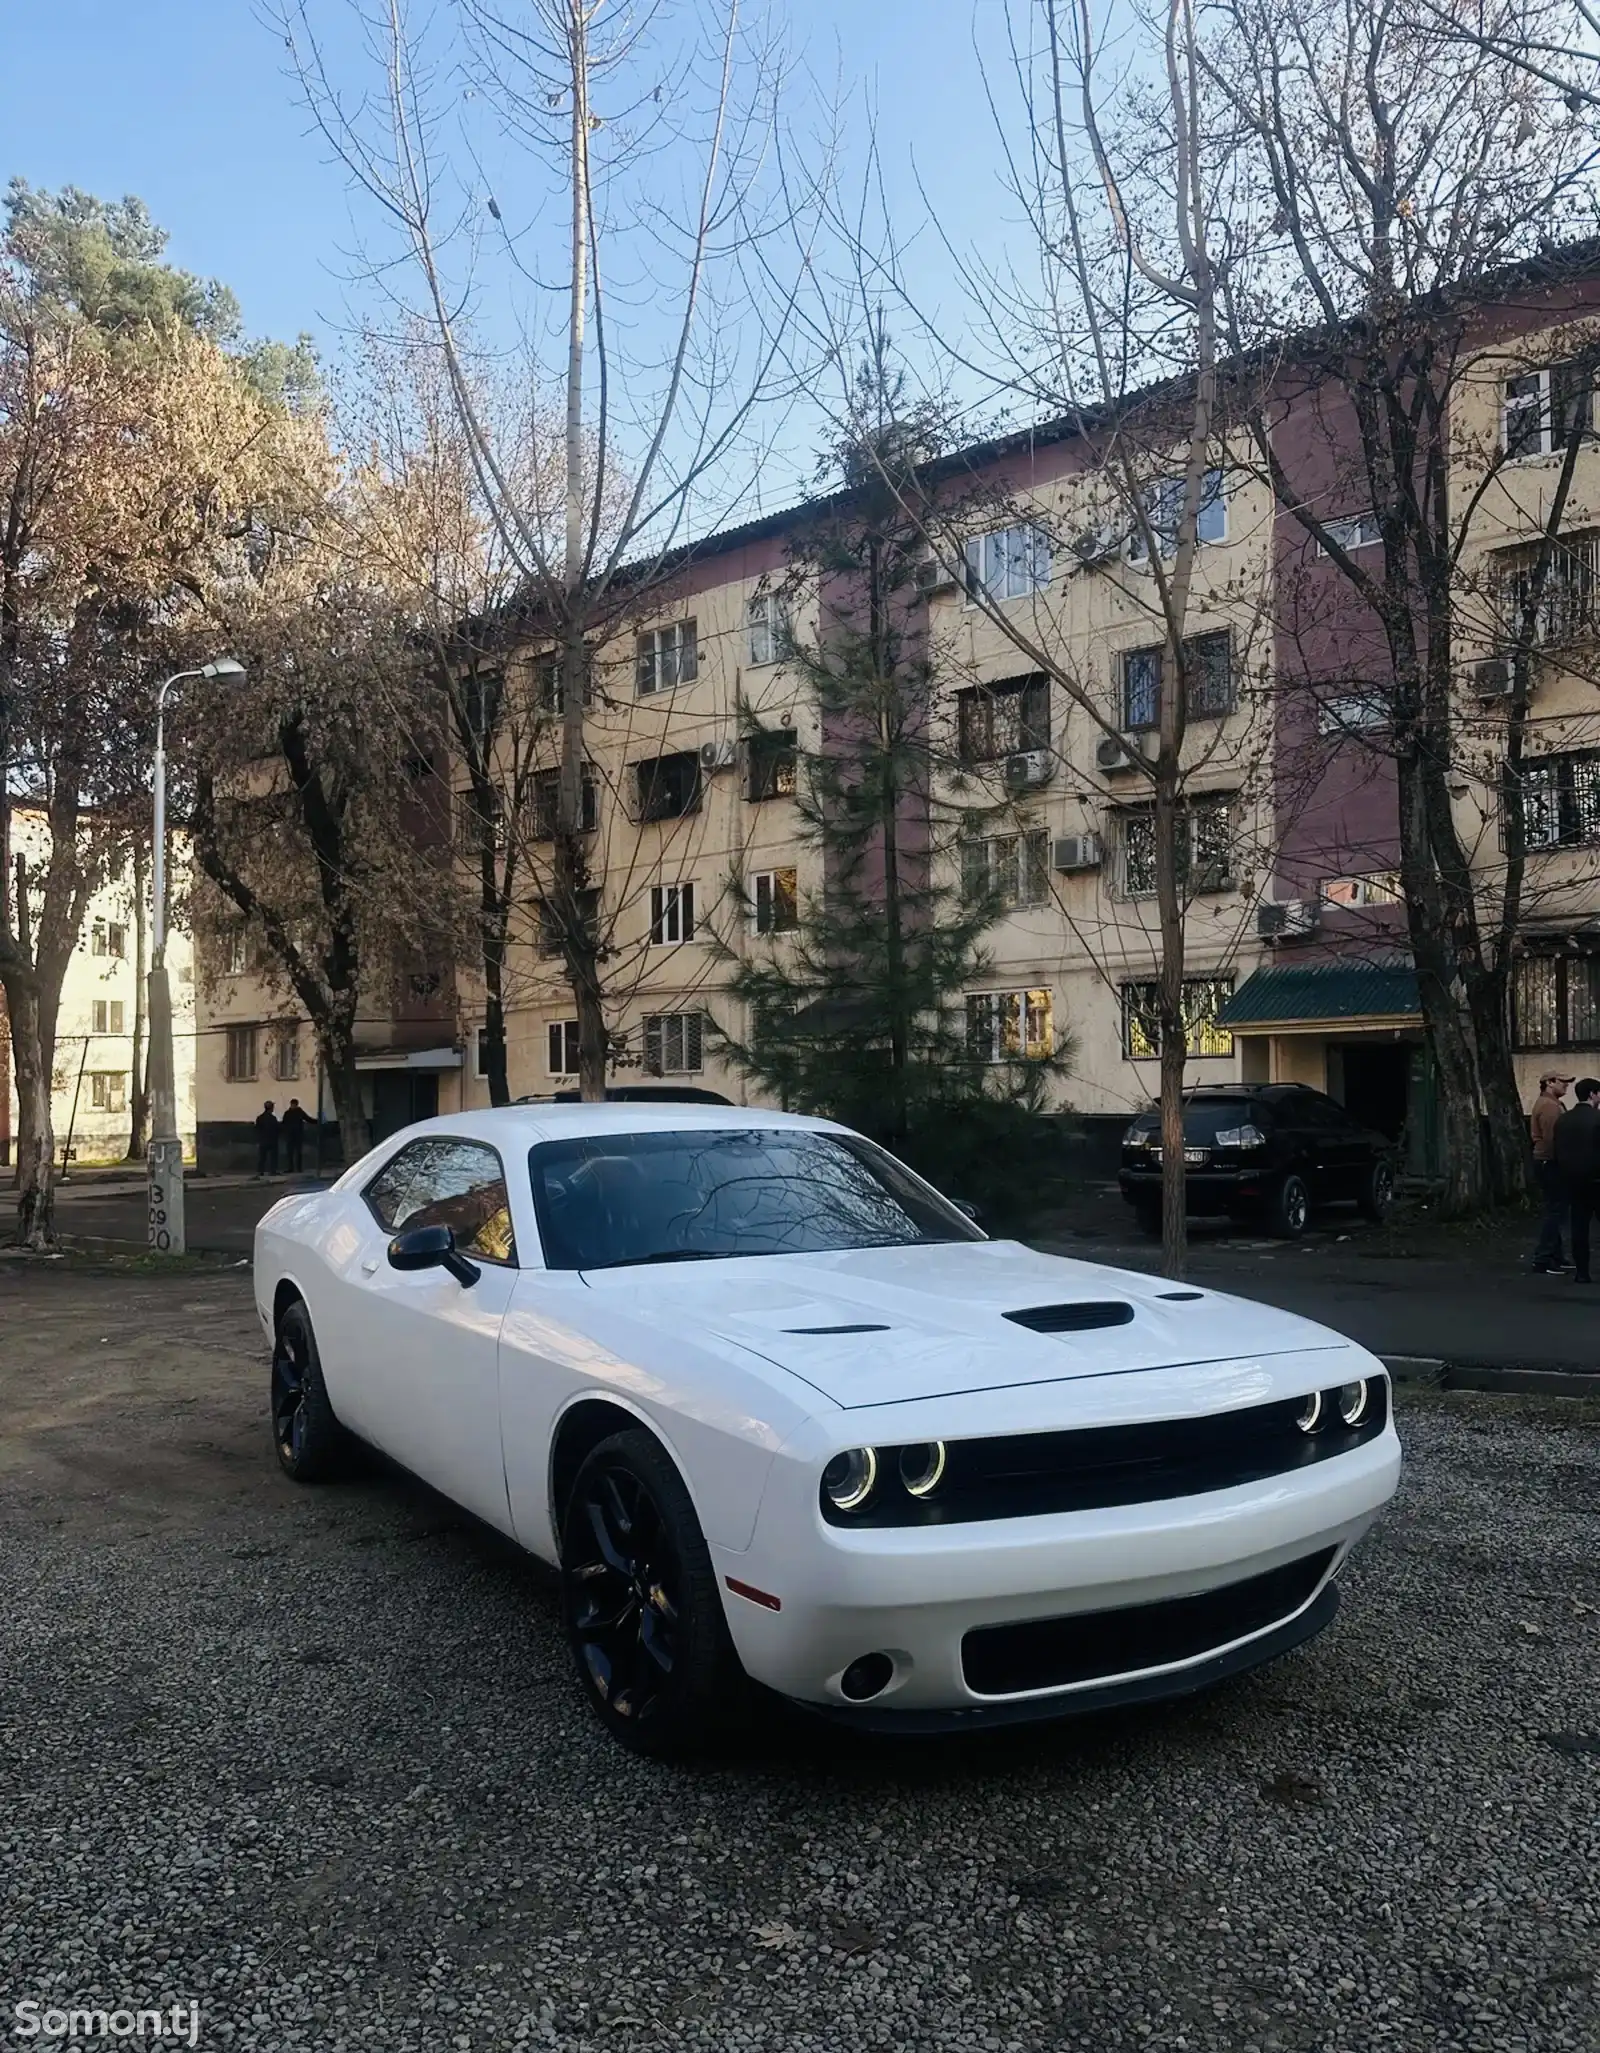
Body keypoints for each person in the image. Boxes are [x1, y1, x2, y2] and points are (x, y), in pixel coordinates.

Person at [1553, 1077, 1600, 1284]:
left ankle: (1582, 1272)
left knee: (1579, 1226)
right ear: (1592, 1094)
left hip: (1572, 1179)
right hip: (1597, 1179)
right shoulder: (1597, 1119)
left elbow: (1558, 1149)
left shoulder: (1564, 1119)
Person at [1529, 1070, 1574, 1272]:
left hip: (1545, 1161)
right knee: (1556, 1211)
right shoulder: (1550, 1107)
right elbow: (1552, 1139)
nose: (1566, 1085)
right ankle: (1544, 1258)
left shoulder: (1549, 1103)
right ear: (1549, 1082)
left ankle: (1555, 1256)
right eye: (1562, 1081)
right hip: (1550, 1162)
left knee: (1554, 1210)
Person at [281, 1097, 308, 1175]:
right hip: (295, 1135)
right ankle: (294, 1168)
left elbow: (283, 1123)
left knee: (295, 1152)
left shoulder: (290, 1113)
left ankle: (295, 1168)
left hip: (293, 1135)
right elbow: (307, 1118)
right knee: (293, 1152)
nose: (293, 1106)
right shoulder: (296, 1112)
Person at [254, 1101, 280, 1180]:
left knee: (262, 1157)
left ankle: (260, 1171)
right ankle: (272, 1171)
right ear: (271, 1108)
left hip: (262, 1140)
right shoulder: (273, 1118)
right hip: (272, 1140)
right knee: (273, 1157)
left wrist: (258, 1139)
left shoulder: (259, 1118)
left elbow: (257, 1129)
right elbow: (277, 1129)